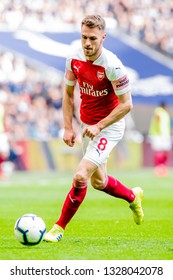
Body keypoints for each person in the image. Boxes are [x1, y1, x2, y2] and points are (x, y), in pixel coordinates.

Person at [44, 14, 144, 242]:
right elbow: (68, 94)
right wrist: (68, 127)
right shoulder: (73, 59)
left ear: (103, 38)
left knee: (80, 176)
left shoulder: (113, 65)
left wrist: (100, 125)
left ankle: (58, 228)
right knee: (99, 182)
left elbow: (127, 104)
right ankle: (132, 197)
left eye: (92, 38)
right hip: (88, 126)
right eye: (83, 38)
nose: (87, 43)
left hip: (109, 126)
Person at [148, 102, 172, 176]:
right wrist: (159, 132)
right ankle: (158, 168)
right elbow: (157, 121)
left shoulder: (165, 113)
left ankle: (163, 167)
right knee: (159, 152)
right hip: (158, 135)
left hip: (165, 135)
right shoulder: (158, 111)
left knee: (165, 152)